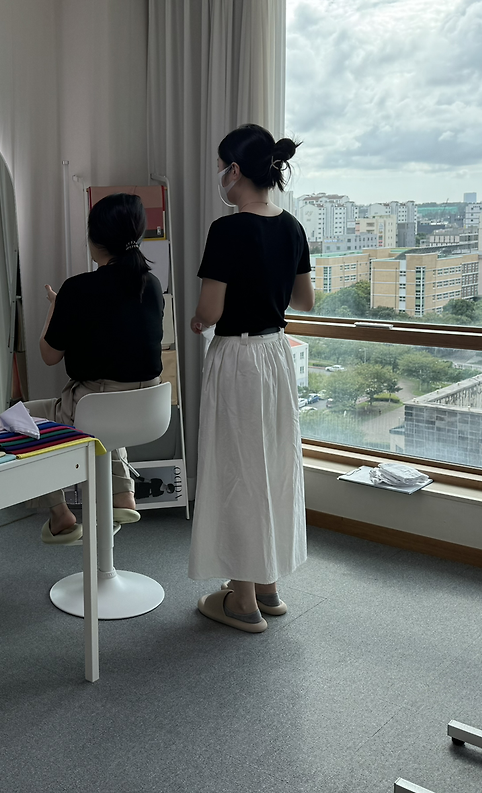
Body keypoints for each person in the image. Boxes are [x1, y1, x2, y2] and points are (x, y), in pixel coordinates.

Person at [188, 124, 314, 633]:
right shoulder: (293, 226)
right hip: (275, 354)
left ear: (234, 170)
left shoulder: (228, 230)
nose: (220, 175)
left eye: (222, 167)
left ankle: (241, 602)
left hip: (238, 357)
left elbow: (209, 312)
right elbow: (305, 301)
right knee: (273, 463)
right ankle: (267, 586)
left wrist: (197, 320)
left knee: (235, 468)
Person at [26, 193, 165, 544]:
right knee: (107, 414)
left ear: (94, 238)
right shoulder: (151, 285)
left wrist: (56, 307)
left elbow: (48, 355)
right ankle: (123, 494)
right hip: (149, 408)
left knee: (21, 419)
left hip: (96, 407)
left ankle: (60, 514)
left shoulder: (77, 289)